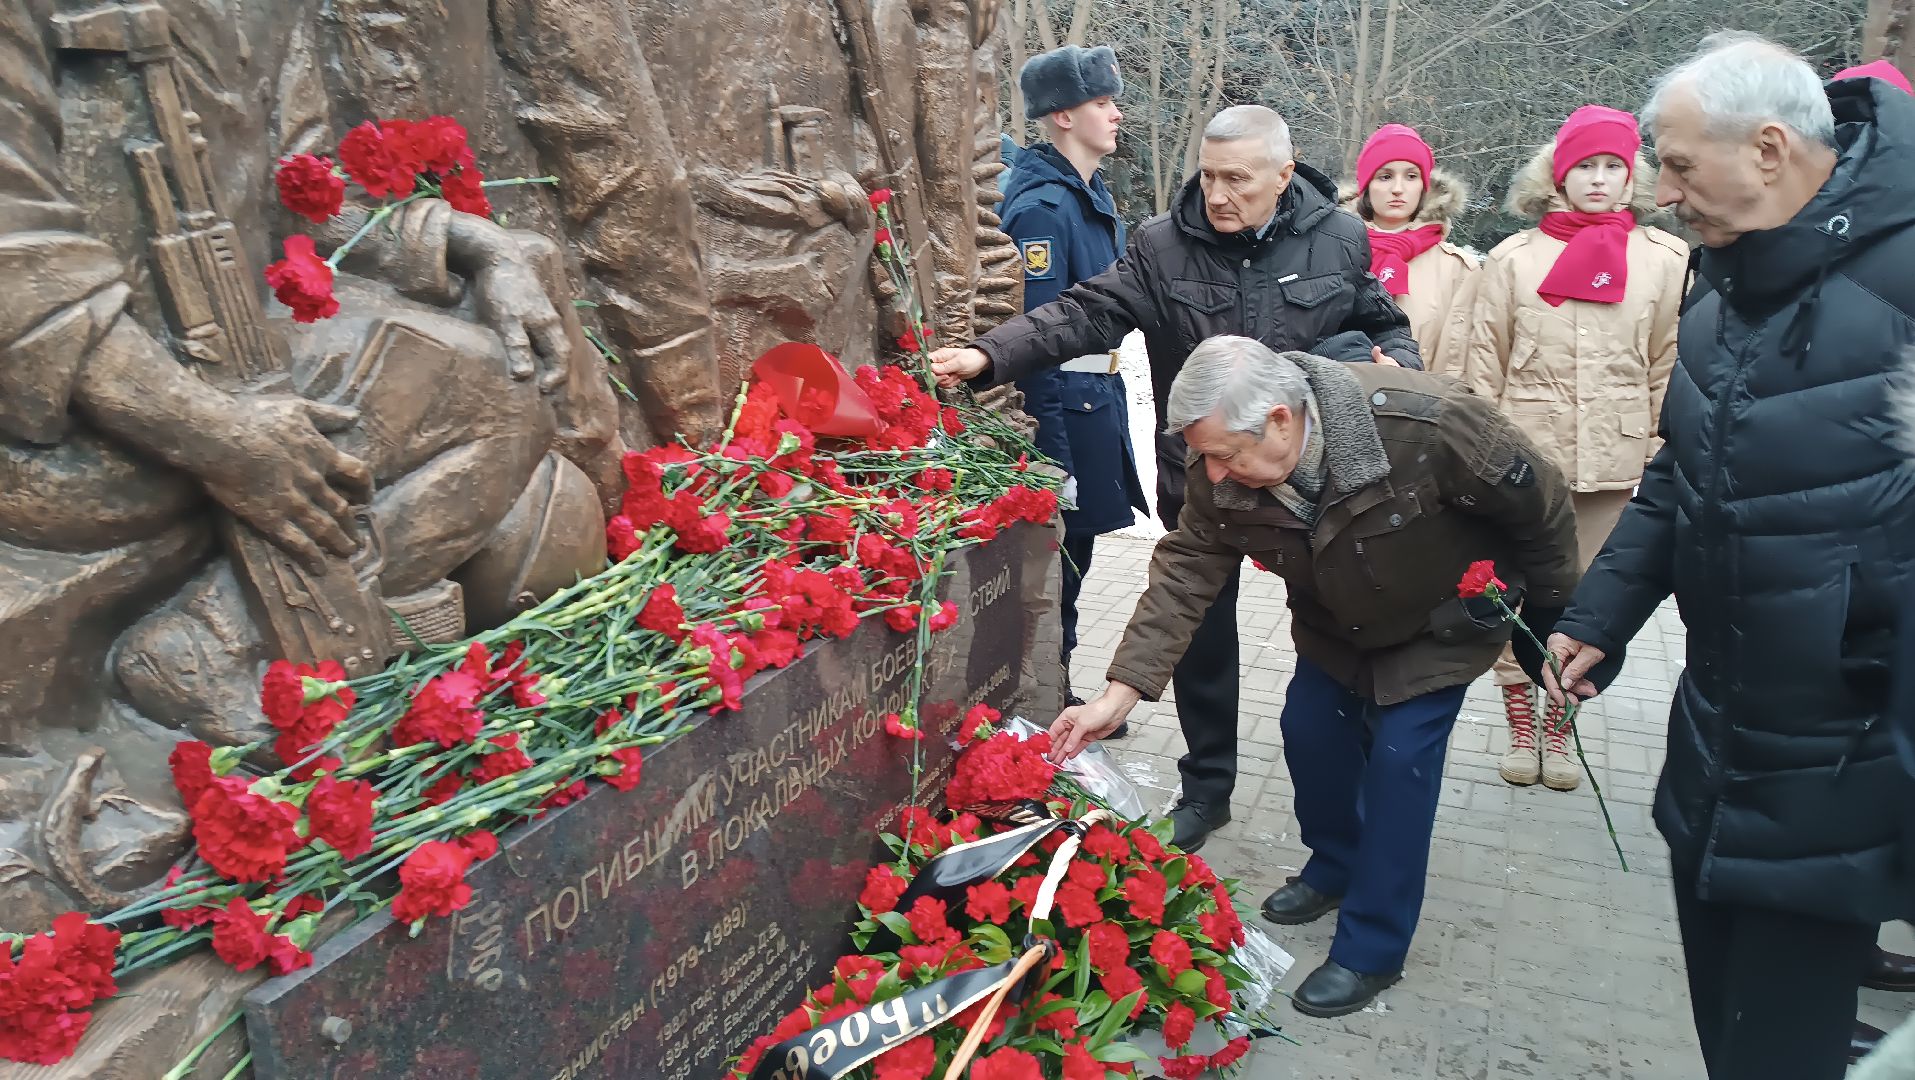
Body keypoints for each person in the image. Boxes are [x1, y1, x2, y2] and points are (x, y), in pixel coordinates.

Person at [1547, 34, 1915, 1080]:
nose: (1657, 192)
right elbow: (1681, 469)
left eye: (1673, 164)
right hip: (1713, 742)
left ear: (1766, 149)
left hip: (1839, 771)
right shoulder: (1721, 279)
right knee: (1730, 1040)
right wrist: (1597, 615)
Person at [1040, 335, 1595, 1015]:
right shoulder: (1220, 453)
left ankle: (1372, 948)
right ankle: (1334, 865)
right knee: (1309, 736)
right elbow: (1187, 569)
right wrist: (1116, 695)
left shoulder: (1426, 424)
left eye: (1226, 457)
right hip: (1335, 627)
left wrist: (1555, 618)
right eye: (1206, 456)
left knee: (1399, 764)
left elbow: (1540, 507)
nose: (1213, 476)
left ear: (1279, 419)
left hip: (1439, 626)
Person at [928, 104, 1420, 852]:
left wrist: (1399, 367)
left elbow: (1382, 322)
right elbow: (1085, 313)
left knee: (1330, 636)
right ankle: (1206, 786)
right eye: (1208, 176)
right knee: (1199, 635)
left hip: (1306, 481)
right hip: (1205, 480)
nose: (1218, 195)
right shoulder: (1162, 245)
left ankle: (1341, 804)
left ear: (1282, 175)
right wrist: (990, 355)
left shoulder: (1339, 238)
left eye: (1237, 180)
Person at [1461, 105, 1686, 792]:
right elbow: (1481, 366)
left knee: (1587, 602)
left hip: (1617, 470)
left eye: (1610, 166)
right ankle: (1519, 719)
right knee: (1513, 599)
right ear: (1555, 175)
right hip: (1528, 468)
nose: (1596, 180)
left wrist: (1657, 449)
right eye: (1583, 165)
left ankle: (1562, 725)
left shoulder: (1665, 260)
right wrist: (1481, 463)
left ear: (1631, 176)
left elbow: (1668, 365)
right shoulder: (1512, 260)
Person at [1000, 45, 1149, 718]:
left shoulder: (1088, 197)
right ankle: (1042, 700)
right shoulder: (1042, 211)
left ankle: (1054, 689)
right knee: (1055, 573)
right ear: (1061, 116)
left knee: (1075, 567)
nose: (1115, 114)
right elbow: (1035, 343)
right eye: (1100, 103)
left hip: (1097, 403)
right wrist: (1051, 458)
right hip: (1063, 414)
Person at [1341, 124, 1478, 374]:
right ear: (1367, 186)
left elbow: (1458, 364)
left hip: (1422, 404)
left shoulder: (1457, 270)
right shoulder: (1331, 251)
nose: (1398, 188)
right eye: (1385, 176)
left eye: (1411, 176)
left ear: (1424, 187)